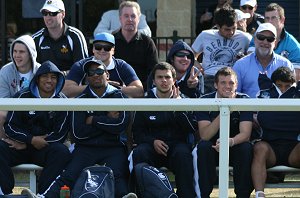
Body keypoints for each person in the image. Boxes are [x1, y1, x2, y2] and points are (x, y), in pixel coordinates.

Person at [28, 59, 136, 198]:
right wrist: (107, 119)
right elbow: (78, 133)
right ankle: (43, 197)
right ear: (86, 77)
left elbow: (120, 125)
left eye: (99, 71)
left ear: (107, 74)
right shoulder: (80, 99)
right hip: (86, 148)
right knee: (69, 175)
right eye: (91, 72)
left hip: (113, 147)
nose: (95, 75)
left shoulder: (120, 97)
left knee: (119, 176)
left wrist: (93, 120)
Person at [0, 61, 71, 196]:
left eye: (53, 77)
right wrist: (30, 140)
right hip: (20, 146)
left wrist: (32, 143)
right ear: (37, 78)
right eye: (45, 76)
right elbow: (10, 125)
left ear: (58, 80)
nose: (49, 80)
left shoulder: (63, 101)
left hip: (44, 148)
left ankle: (43, 194)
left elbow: (60, 134)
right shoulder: (22, 96)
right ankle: (5, 193)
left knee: (61, 152)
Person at [131, 62, 197, 198]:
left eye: (167, 77)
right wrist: (153, 141)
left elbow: (192, 129)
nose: (164, 81)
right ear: (154, 80)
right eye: (160, 77)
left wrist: (178, 108)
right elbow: (137, 133)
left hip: (176, 146)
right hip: (151, 145)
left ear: (174, 80)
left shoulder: (185, 100)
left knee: (184, 154)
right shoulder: (144, 101)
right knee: (139, 153)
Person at [193, 67, 253, 198]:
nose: (228, 86)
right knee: (203, 146)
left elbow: (246, 134)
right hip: (212, 149)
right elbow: (205, 135)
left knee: (246, 148)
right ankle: (204, 195)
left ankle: (243, 195)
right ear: (215, 85)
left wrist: (229, 142)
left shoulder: (244, 100)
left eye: (231, 83)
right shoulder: (204, 101)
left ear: (236, 85)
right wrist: (226, 109)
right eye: (223, 83)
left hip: (235, 147)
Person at [252, 67, 300, 198]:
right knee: (259, 148)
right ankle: (259, 195)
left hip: (294, 149)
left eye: (287, 86)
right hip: (270, 148)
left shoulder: (298, 93)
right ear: (274, 84)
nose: (283, 89)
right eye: (279, 85)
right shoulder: (263, 94)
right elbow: (261, 120)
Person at [63, 32, 144, 98]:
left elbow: (139, 91)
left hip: (115, 109)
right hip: (88, 109)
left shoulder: (121, 66)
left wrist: (110, 88)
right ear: (93, 49)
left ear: (113, 51)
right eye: (98, 47)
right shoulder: (80, 65)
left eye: (107, 48)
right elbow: (66, 91)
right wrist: (96, 87)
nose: (102, 50)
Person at [192, 4, 251, 94]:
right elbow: (191, 55)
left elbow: (253, 57)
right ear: (218, 26)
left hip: (233, 78)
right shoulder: (205, 35)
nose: (231, 32)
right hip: (210, 78)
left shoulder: (245, 37)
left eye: (234, 28)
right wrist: (198, 67)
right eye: (227, 29)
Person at [233, 22, 294, 98]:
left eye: (270, 39)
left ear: (275, 43)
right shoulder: (240, 65)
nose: (265, 42)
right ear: (254, 39)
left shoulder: (286, 64)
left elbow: (292, 95)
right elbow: (234, 95)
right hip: (249, 109)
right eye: (261, 37)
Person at [0, 35, 40, 139]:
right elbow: (4, 101)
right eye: (15, 51)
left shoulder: (41, 71)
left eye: (21, 52)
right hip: (13, 113)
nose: (17, 55)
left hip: (36, 114)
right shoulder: (5, 71)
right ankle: (6, 143)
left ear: (31, 54)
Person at [32, 0, 89, 73]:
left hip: (70, 81)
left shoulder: (75, 35)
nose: (48, 17)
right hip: (44, 82)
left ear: (63, 14)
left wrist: (60, 76)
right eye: (45, 13)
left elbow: (83, 67)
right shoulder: (36, 39)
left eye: (53, 13)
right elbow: (31, 69)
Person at [247, 3, 300, 81]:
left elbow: (296, 76)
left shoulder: (293, 46)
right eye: (267, 18)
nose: (269, 22)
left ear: (282, 20)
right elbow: (250, 62)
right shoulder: (257, 36)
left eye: (273, 18)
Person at [113, 1, 158, 90]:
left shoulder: (147, 43)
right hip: (114, 91)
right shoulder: (111, 41)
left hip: (141, 92)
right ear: (120, 18)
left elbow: (153, 72)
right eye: (126, 16)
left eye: (133, 16)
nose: (130, 19)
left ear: (139, 19)